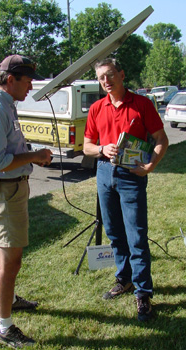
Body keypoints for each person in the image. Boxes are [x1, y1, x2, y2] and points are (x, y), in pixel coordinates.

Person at [0, 54, 52, 347]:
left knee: (11, 261)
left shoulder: (6, 106)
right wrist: (34, 156)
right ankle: (3, 327)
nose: (31, 85)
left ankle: (9, 299)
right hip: (3, 194)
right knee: (9, 263)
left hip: (12, 191)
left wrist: (31, 154)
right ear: (10, 80)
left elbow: (7, 148)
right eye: (27, 79)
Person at [83, 58, 168, 321]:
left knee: (137, 236)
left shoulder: (142, 104)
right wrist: (100, 149)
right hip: (105, 174)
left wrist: (150, 166)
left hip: (132, 176)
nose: (106, 82)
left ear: (121, 74)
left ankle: (143, 293)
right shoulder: (97, 108)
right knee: (115, 233)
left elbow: (160, 139)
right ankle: (125, 279)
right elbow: (86, 146)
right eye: (101, 78)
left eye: (110, 75)